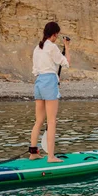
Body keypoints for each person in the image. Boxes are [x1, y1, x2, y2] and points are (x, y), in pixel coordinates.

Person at [29, 22, 70, 163]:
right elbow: (66, 62)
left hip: (39, 82)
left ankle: (33, 153)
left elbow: (35, 70)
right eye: (57, 35)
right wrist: (67, 47)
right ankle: (51, 157)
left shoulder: (37, 48)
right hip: (49, 82)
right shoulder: (52, 47)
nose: (57, 37)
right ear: (54, 34)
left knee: (39, 120)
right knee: (51, 121)